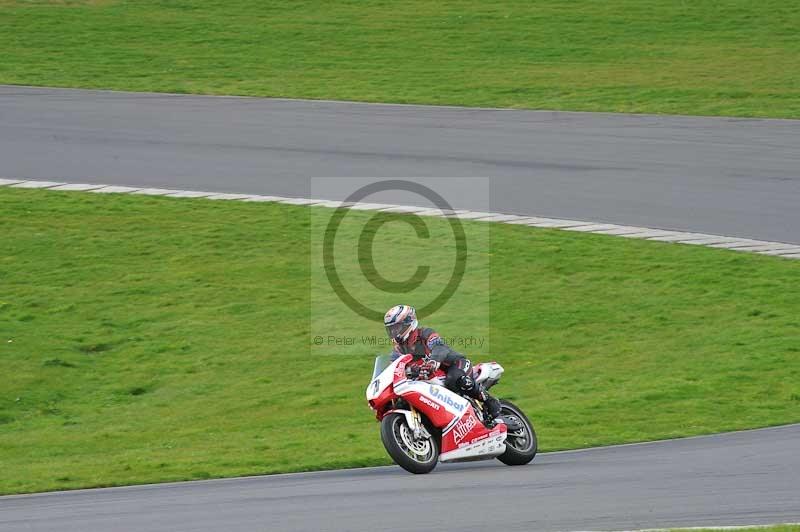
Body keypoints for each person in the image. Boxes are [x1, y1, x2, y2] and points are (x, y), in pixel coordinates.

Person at [384, 304, 502, 423]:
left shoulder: (425, 334)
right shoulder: (397, 352)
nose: (394, 332)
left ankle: (490, 401)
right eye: (391, 329)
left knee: (453, 379)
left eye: (397, 328)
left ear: (408, 323)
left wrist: (433, 361)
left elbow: (439, 347)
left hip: (455, 364)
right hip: (428, 379)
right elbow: (393, 370)